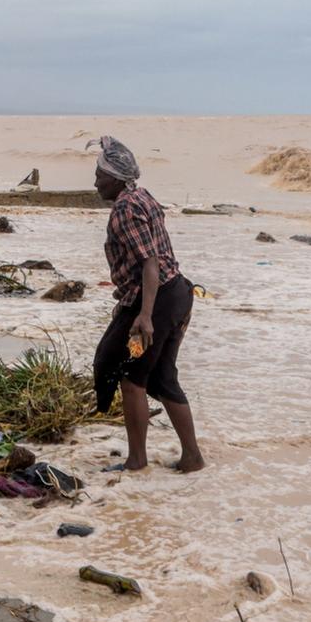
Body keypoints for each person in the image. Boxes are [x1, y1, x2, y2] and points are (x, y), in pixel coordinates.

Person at [90, 136, 204, 473]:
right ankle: (192, 458)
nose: (95, 182)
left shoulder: (125, 208)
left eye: (99, 175)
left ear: (116, 178)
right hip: (179, 292)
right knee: (162, 377)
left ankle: (137, 461)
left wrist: (143, 314)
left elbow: (150, 264)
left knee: (132, 378)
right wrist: (127, 303)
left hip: (159, 298)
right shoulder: (143, 197)